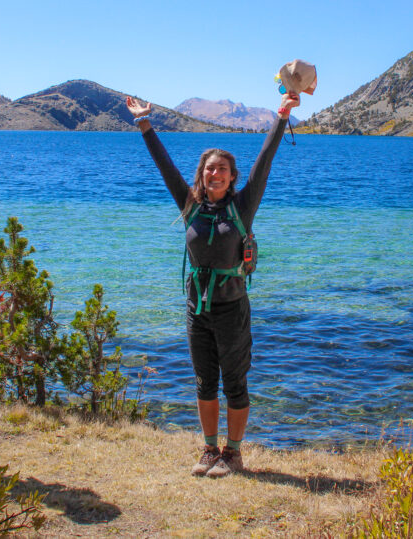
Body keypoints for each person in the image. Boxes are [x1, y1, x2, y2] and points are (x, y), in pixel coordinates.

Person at [126, 91, 300, 478]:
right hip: (196, 310)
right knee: (205, 382)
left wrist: (282, 116)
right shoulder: (189, 205)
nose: (215, 174)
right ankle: (208, 450)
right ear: (202, 175)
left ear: (232, 177)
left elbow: (265, 160)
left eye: (222, 169)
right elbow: (165, 166)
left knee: (234, 383)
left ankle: (233, 454)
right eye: (209, 169)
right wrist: (144, 122)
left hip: (231, 308)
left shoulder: (242, 206)